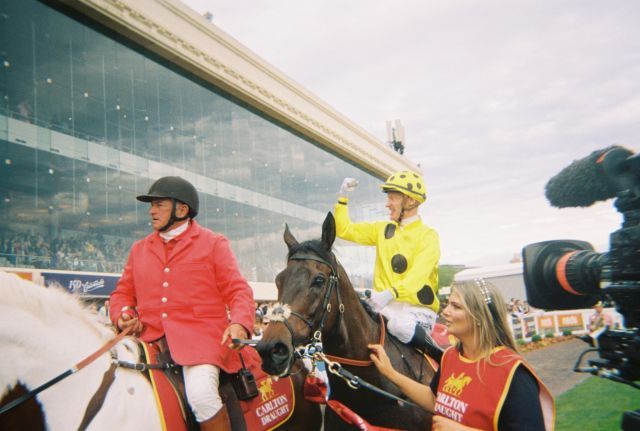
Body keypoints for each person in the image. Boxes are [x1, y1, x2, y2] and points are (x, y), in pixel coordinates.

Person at [109, 176, 255, 431]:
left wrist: (240, 324)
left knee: (201, 395)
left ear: (182, 209)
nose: (152, 211)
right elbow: (122, 294)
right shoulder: (139, 249)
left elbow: (238, 290)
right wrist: (123, 315)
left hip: (202, 341)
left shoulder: (213, 243)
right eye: (151, 205)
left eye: (159, 205)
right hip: (148, 339)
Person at [369, 280, 554, 431]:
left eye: (455, 306)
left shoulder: (514, 373)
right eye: (448, 303)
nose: (445, 311)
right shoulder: (451, 356)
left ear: (479, 317)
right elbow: (435, 400)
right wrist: (390, 373)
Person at [334, 171, 441, 357]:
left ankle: (439, 356)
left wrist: (391, 293)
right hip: (386, 308)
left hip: (418, 310)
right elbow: (343, 230)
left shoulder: (428, 236)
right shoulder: (381, 229)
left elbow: (418, 276)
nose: (387, 204)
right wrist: (342, 198)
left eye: (392, 198)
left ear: (410, 201)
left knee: (400, 326)